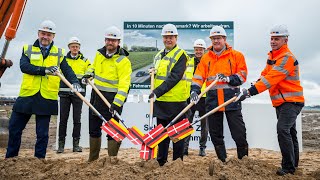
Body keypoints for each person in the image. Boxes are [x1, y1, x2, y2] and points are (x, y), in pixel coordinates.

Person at [236, 24, 304, 176]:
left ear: (285, 40)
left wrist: (250, 92)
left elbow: (272, 79)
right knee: (290, 132)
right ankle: (293, 165)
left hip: (291, 101)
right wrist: (251, 86)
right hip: (281, 102)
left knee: (283, 130)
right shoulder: (272, 56)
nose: (273, 41)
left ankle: (288, 167)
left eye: (277, 39)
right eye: (272, 38)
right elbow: (265, 75)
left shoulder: (287, 58)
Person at [5, 20, 80, 159]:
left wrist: (75, 82)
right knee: (15, 128)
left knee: (43, 134)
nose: (45, 37)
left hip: (46, 98)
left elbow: (67, 70)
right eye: (43, 33)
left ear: (53, 36)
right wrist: (44, 70)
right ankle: (10, 158)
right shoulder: (27, 49)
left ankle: (39, 160)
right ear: (38, 34)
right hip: (27, 95)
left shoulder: (59, 53)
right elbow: (24, 67)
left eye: (49, 34)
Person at [190, 25, 248, 162]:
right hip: (213, 100)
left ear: (224, 39)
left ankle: (244, 161)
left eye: (219, 38)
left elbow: (242, 75)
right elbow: (198, 77)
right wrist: (194, 91)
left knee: (239, 133)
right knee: (216, 134)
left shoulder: (236, 55)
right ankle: (223, 161)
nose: (216, 41)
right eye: (213, 39)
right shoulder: (206, 58)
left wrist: (229, 79)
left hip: (231, 99)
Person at [82, 26, 131, 163]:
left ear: (118, 42)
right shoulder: (99, 54)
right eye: (108, 40)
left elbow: (124, 84)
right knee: (94, 129)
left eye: (113, 40)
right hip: (96, 96)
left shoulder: (123, 61)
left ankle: (112, 160)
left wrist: (117, 103)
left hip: (112, 100)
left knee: (113, 132)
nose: (110, 43)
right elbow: (93, 67)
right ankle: (93, 160)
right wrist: (89, 74)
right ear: (105, 40)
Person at [148, 24, 189, 166]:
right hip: (161, 102)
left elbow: (174, 77)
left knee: (178, 135)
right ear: (162, 38)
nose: (168, 40)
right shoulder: (158, 55)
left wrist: (156, 92)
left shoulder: (181, 55)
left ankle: (177, 163)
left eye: (171, 37)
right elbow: (158, 77)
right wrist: (152, 73)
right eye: (166, 37)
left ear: (176, 38)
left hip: (177, 102)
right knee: (162, 135)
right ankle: (161, 162)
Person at [57, 37, 93, 153]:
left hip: (79, 94)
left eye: (77, 46)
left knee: (77, 120)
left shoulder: (85, 60)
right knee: (63, 119)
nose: (75, 48)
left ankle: (76, 145)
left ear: (79, 48)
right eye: (73, 46)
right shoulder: (62, 59)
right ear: (69, 47)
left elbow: (91, 70)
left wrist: (87, 76)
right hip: (64, 93)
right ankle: (61, 146)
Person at [184, 39, 209, 157]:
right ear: (194, 50)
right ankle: (185, 148)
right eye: (196, 49)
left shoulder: (209, 62)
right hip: (191, 96)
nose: (198, 51)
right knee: (187, 123)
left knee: (204, 125)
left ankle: (202, 148)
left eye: (200, 49)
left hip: (205, 97)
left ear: (204, 50)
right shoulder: (188, 62)